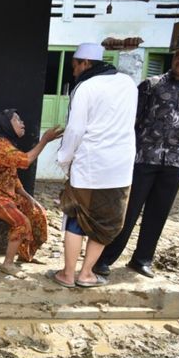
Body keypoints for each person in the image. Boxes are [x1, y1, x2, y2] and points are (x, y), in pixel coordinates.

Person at [94, 46, 179, 279]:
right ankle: (104, 258)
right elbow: (130, 121)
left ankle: (142, 259)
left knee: (158, 213)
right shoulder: (152, 85)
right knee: (128, 210)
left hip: (176, 161)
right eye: (178, 55)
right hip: (143, 157)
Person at [48, 43, 137, 289]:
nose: (74, 71)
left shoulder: (86, 87)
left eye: (75, 66)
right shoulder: (128, 84)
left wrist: (64, 159)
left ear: (85, 63)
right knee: (106, 221)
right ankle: (86, 274)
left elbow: (75, 130)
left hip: (90, 164)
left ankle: (67, 274)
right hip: (120, 167)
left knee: (77, 217)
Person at [0, 109, 63, 277]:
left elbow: (13, 177)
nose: (22, 123)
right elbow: (26, 161)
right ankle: (7, 264)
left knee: (37, 212)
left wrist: (29, 198)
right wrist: (44, 141)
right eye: (17, 120)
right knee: (21, 221)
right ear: (7, 124)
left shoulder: (6, 145)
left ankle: (25, 254)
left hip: (2, 193)